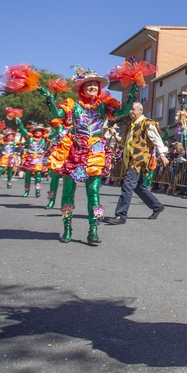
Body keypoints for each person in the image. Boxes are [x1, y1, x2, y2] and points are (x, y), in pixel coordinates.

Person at [39, 66, 138, 245]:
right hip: (75, 152)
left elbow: (123, 113)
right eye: (89, 85)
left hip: (95, 152)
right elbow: (57, 115)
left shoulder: (104, 105)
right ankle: (67, 227)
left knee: (94, 193)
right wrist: (50, 101)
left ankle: (94, 229)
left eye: (95, 85)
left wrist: (132, 93)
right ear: (82, 88)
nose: (92, 87)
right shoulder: (72, 105)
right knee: (68, 192)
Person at [104, 102, 169, 225]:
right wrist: (114, 134)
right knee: (138, 186)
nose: (131, 112)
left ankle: (120, 215)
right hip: (131, 159)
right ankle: (157, 206)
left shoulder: (147, 123)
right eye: (130, 110)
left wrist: (162, 155)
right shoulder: (130, 126)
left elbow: (157, 139)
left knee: (128, 185)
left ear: (140, 110)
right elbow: (123, 142)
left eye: (133, 109)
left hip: (139, 159)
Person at [15, 119, 50, 198]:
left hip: (39, 158)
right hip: (30, 157)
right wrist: (20, 124)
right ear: (33, 132)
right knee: (28, 174)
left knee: (38, 175)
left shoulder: (44, 139)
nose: (38, 132)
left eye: (39, 131)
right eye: (36, 131)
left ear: (42, 133)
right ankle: (26, 191)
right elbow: (23, 131)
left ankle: (37, 191)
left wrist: (57, 125)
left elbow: (56, 133)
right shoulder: (30, 138)